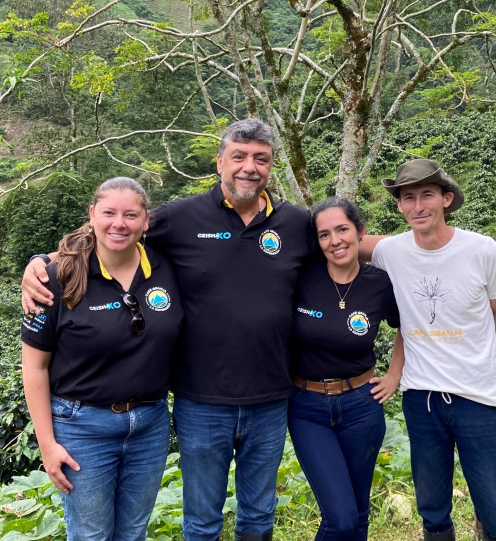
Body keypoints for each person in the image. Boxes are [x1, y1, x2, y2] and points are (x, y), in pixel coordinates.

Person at [24, 119, 377, 541]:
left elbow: (346, 242)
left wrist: (424, 246)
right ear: (220, 162)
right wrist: (43, 263)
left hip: (271, 398)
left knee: (259, 516)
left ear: (271, 166)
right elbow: (116, 230)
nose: (249, 167)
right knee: (203, 521)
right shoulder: (181, 217)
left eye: (260, 159)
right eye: (239, 157)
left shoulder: (297, 224)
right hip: (200, 402)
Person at [21, 177, 184, 541]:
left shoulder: (167, 268)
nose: (119, 224)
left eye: (130, 215)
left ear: (146, 221)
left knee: (132, 533)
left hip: (150, 424)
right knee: (91, 535)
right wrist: (47, 445)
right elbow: (34, 366)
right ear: (92, 215)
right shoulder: (54, 277)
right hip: (82, 428)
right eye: (108, 213)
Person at [370, 159, 496, 541]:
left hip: (478, 395)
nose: (418, 206)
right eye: (408, 198)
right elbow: (340, 239)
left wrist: (472, 353)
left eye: (427, 195)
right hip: (422, 399)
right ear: (399, 206)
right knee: (432, 505)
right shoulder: (391, 251)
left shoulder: (483, 250)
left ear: (446, 199)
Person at [288, 197, 404, 541]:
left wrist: (395, 374)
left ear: (360, 232)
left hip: (362, 406)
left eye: (342, 229)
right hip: (307, 408)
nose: (334, 241)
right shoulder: (300, 278)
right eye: (324, 235)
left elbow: (406, 328)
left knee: (358, 513)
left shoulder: (379, 283)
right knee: (339, 519)